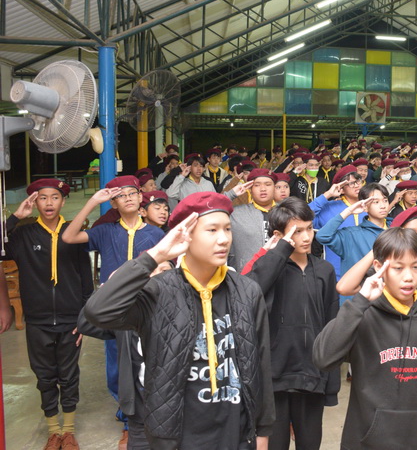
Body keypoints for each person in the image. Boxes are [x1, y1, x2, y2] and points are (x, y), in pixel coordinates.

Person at [83, 193, 275, 450]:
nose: (224, 239)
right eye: (212, 230)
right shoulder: (159, 290)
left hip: (235, 432)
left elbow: (260, 363)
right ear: (186, 236)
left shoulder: (246, 291)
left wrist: (263, 429)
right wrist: (155, 256)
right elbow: (97, 312)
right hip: (177, 434)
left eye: (227, 229)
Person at [312, 227, 417, 449]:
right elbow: (323, 358)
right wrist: (359, 302)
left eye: (416, 266)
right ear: (379, 267)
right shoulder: (362, 314)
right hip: (368, 440)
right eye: (398, 268)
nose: (409, 277)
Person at [61, 176, 166, 447]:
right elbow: (69, 237)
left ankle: (140, 419)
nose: (128, 198)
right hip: (114, 310)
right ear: (114, 203)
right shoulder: (105, 231)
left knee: (146, 362)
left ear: (141, 197)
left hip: (147, 308)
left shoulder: (156, 235)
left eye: (132, 193)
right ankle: (128, 417)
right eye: (121, 195)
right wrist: (92, 202)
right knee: (117, 365)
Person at [242, 198, 339, 450]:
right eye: (297, 231)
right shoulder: (269, 268)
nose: (306, 237)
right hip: (275, 375)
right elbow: (250, 292)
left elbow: (331, 325)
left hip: (311, 374)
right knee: (276, 443)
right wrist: (279, 251)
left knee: (310, 443)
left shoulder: (325, 270)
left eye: (309, 228)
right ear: (279, 235)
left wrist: (330, 380)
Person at [6, 180, 92, 450]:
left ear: (63, 201)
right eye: (42, 198)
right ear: (35, 203)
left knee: (69, 375)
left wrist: (84, 316)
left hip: (70, 319)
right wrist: (15, 217)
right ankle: (53, 431)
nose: (49, 203)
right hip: (38, 320)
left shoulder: (73, 234)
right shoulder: (24, 235)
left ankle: (69, 431)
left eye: (55, 197)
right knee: (44, 376)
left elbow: (85, 277)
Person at [316, 183, 390, 285]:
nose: (383, 206)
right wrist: (349, 211)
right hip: (359, 292)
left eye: (385, 200)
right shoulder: (351, 235)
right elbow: (323, 236)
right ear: (365, 207)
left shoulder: (396, 229)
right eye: (376, 202)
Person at [228, 169, 277, 273]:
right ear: (250, 189)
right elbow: (207, 211)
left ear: (274, 187)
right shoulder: (236, 214)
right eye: (257, 185)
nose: (263, 189)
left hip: (282, 274)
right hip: (247, 275)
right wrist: (231, 194)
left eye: (268, 184)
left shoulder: (287, 212)